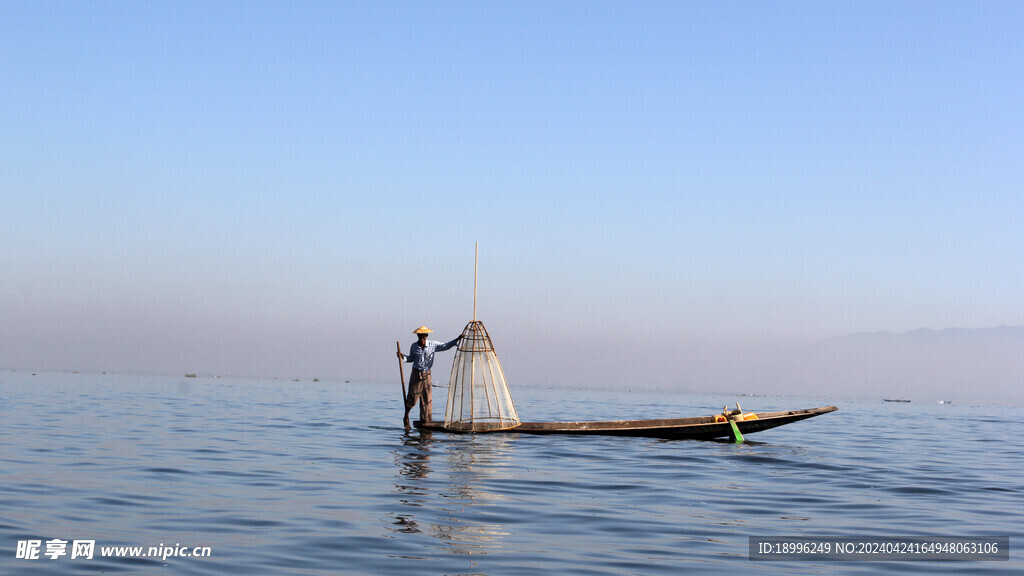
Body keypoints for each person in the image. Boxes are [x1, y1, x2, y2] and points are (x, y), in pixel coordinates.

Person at [398, 326, 461, 430]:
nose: (421, 338)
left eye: (423, 336)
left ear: (426, 336)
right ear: (417, 336)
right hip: (416, 374)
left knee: (427, 399)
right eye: (420, 336)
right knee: (412, 398)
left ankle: (425, 421)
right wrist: (403, 356)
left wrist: (456, 340)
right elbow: (411, 359)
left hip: (427, 375)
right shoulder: (414, 346)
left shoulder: (433, 345)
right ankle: (406, 416)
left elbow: (446, 346)